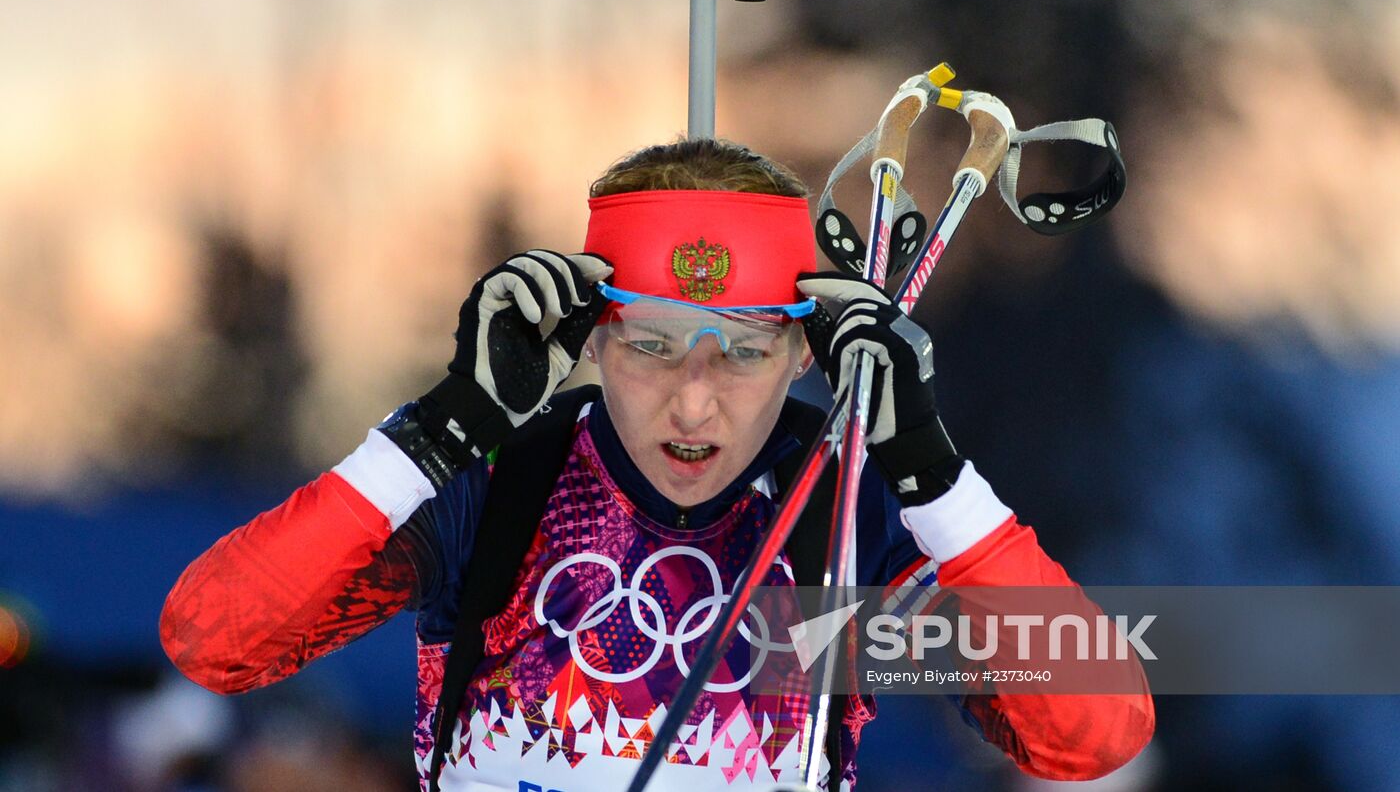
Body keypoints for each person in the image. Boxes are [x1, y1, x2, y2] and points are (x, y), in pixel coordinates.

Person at [161, 139, 1154, 791]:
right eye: (651, 343)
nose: (692, 397)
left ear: (805, 350)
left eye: (742, 346)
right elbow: (214, 638)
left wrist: (934, 477)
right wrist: (441, 427)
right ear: (592, 337)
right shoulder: (501, 479)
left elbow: (1091, 730)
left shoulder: (842, 503)